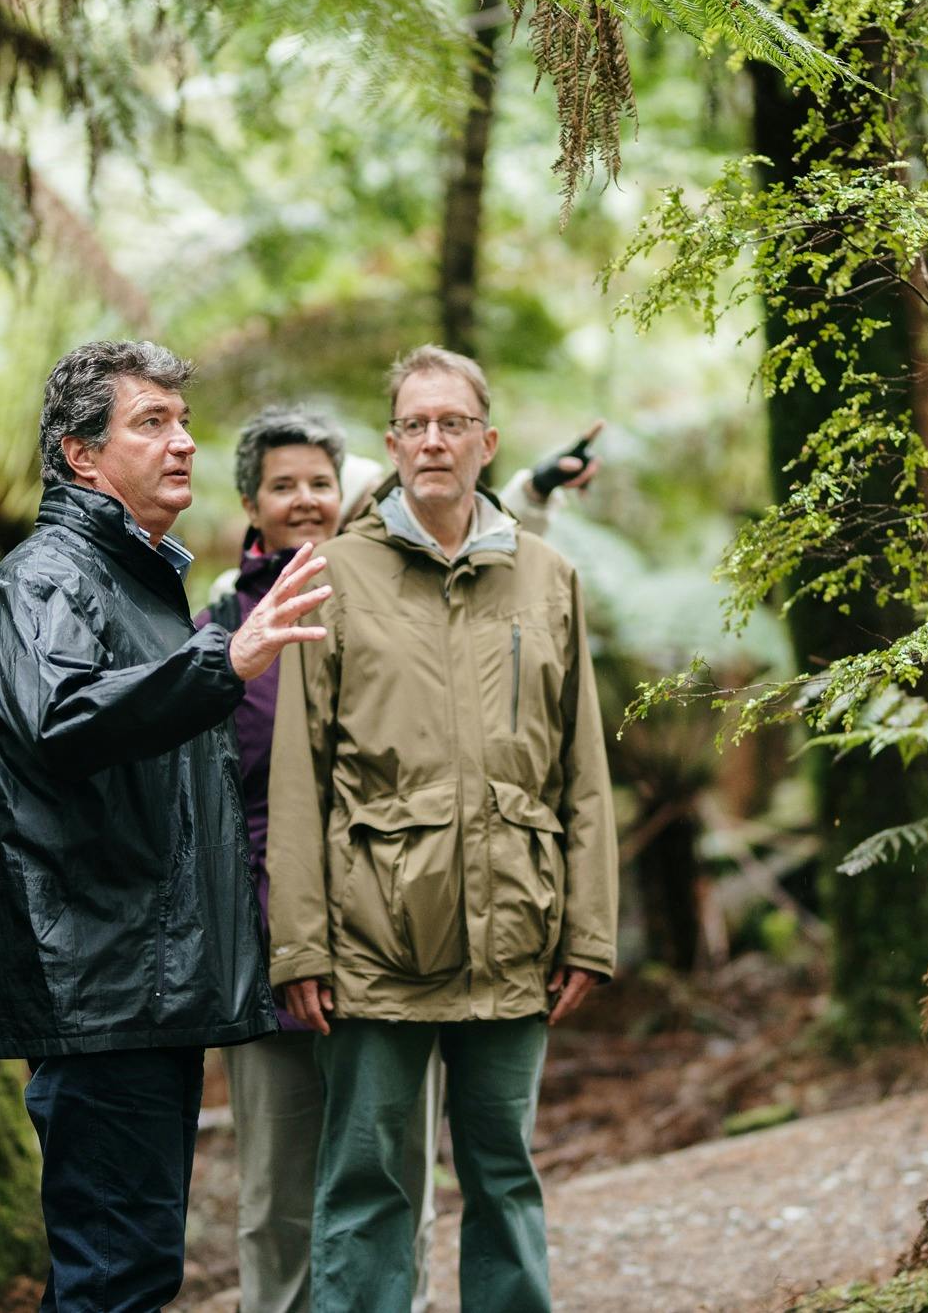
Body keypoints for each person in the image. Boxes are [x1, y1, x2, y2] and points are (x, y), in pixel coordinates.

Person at [0, 340, 331, 1313]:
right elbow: (64, 716)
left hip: (144, 989)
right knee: (114, 1276)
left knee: (130, 1270)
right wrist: (224, 660)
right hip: (101, 991)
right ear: (80, 455)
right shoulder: (48, 577)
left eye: (182, 422)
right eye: (151, 423)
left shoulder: (133, 578)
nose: (183, 443)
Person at [266, 345, 619, 1313]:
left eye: (451, 422)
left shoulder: (548, 579)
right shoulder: (331, 575)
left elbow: (580, 768)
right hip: (375, 940)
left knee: (504, 1178)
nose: (432, 440)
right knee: (367, 1185)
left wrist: (587, 928)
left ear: (485, 441)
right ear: (390, 443)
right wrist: (299, 944)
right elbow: (297, 772)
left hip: (517, 929)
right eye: (415, 424)